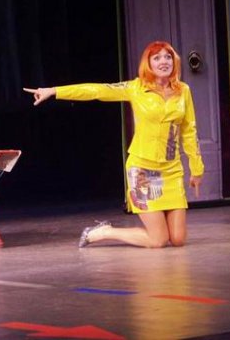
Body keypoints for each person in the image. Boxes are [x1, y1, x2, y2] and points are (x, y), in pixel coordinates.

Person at [24, 41, 203, 248]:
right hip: (143, 170)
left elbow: (189, 131)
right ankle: (104, 232)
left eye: (168, 57)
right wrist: (54, 91)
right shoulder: (135, 88)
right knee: (158, 240)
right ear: (148, 64)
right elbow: (96, 91)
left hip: (172, 170)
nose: (164, 61)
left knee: (178, 239)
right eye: (157, 58)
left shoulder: (183, 91)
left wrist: (196, 169)